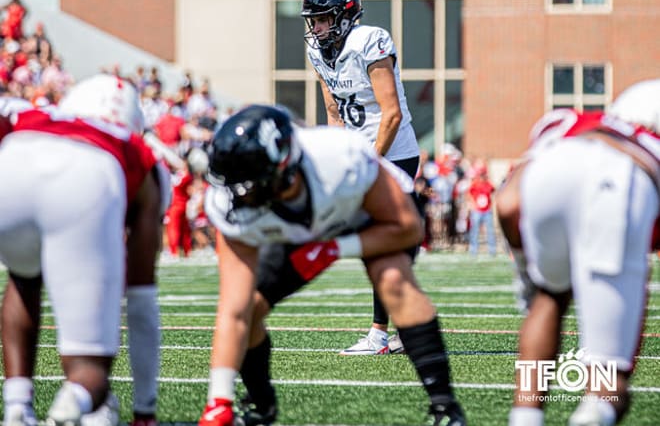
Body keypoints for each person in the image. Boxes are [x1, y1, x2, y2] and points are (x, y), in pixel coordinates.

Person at [198, 105, 465, 426]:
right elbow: (234, 310)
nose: (240, 198)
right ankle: (259, 404)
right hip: (293, 228)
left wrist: (334, 249)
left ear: (284, 169)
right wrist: (218, 401)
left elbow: (408, 227)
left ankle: (445, 409)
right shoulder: (229, 202)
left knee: (393, 279)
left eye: (251, 187)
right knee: (250, 306)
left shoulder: (340, 158)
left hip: (361, 213)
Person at [0, 74, 165, 426]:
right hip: (87, 176)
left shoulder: (31, 113)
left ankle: (17, 405)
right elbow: (141, 298)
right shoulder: (137, 150)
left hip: (12, 162)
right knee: (89, 368)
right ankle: (75, 400)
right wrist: (146, 411)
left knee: (24, 277)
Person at [495, 80, 660, 426]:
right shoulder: (649, 146)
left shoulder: (565, 121)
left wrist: (526, 266)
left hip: (550, 175)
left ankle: (525, 415)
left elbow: (508, 203)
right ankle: (595, 410)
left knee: (549, 297)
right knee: (610, 384)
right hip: (618, 183)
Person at [301, 0, 421, 356]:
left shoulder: (369, 40)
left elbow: (391, 114)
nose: (316, 28)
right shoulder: (319, 52)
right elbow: (334, 109)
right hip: (362, 155)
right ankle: (402, 329)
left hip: (392, 153)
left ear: (344, 15)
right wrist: (341, 155)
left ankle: (380, 334)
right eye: (313, 20)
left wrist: (368, 164)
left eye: (322, 19)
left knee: (380, 244)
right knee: (386, 247)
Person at [466, 161, 497, 256]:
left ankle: (492, 250)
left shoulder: (489, 184)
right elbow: (468, 194)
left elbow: (494, 192)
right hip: (477, 211)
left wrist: (492, 205)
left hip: (487, 211)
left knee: (490, 231)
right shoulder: (474, 184)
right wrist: (472, 204)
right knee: (474, 231)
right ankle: (473, 250)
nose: (482, 176)